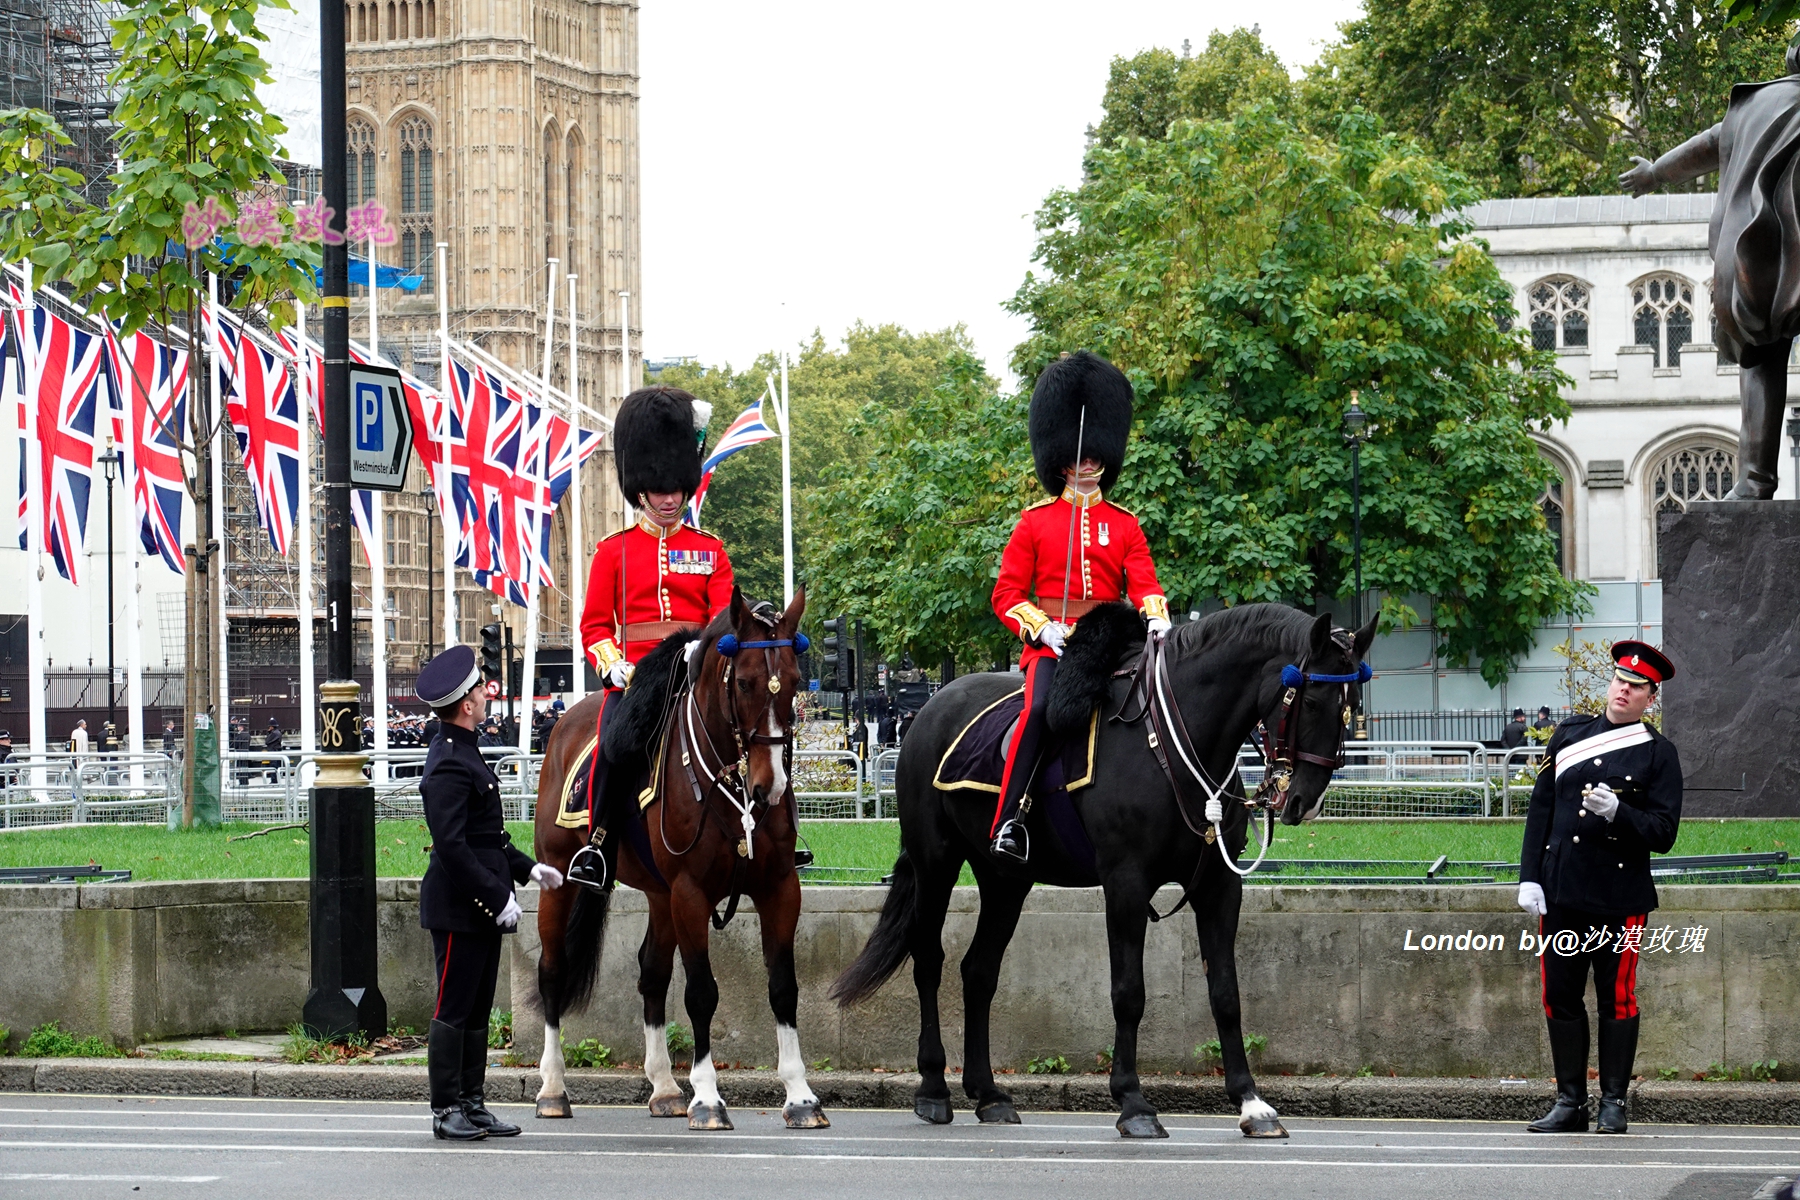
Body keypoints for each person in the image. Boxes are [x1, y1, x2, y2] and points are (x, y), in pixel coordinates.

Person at [988, 351, 1171, 862]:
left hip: (1110, 641)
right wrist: (1041, 630)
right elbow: (1006, 595)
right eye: (1076, 456)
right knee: (1040, 710)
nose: (1087, 463)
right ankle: (1010, 820)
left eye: (1094, 456)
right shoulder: (1034, 523)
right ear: (1059, 459)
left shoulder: (1125, 523)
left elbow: (1144, 583)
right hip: (1053, 645)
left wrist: (1156, 617)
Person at [567, 386, 734, 890]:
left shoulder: (710, 550)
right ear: (640, 487)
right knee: (613, 746)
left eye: (676, 488)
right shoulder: (613, 552)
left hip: (695, 674)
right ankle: (597, 845)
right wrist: (611, 663)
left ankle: (775, 835)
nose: (668, 498)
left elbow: (724, 618)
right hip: (636, 678)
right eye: (659, 489)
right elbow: (595, 625)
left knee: (754, 736)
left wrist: (701, 650)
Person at [1517, 641, 1682, 1136]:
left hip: (1619, 897)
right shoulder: (1569, 735)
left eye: (1636, 687)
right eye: (1619, 681)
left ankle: (1613, 1103)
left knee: (1618, 999)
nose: (1623, 691)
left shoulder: (1659, 754)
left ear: (1650, 698)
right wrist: (1529, 876)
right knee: (1560, 998)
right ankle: (1570, 1102)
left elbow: (1664, 833)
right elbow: (1541, 809)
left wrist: (1621, 813)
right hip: (1562, 892)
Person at [415, 644, 564, 1141]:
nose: (485, 694)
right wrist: (495, 898)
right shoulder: (447, 762)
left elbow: (490, 837)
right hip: (460, 908)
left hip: (480, 905)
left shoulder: (464, 748)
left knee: (478, 1008)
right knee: (454, 1007)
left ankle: (472, 1102)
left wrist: (528, 869)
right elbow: (453, 848)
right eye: (480, 689)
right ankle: (445, 1110)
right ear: (465, 704)